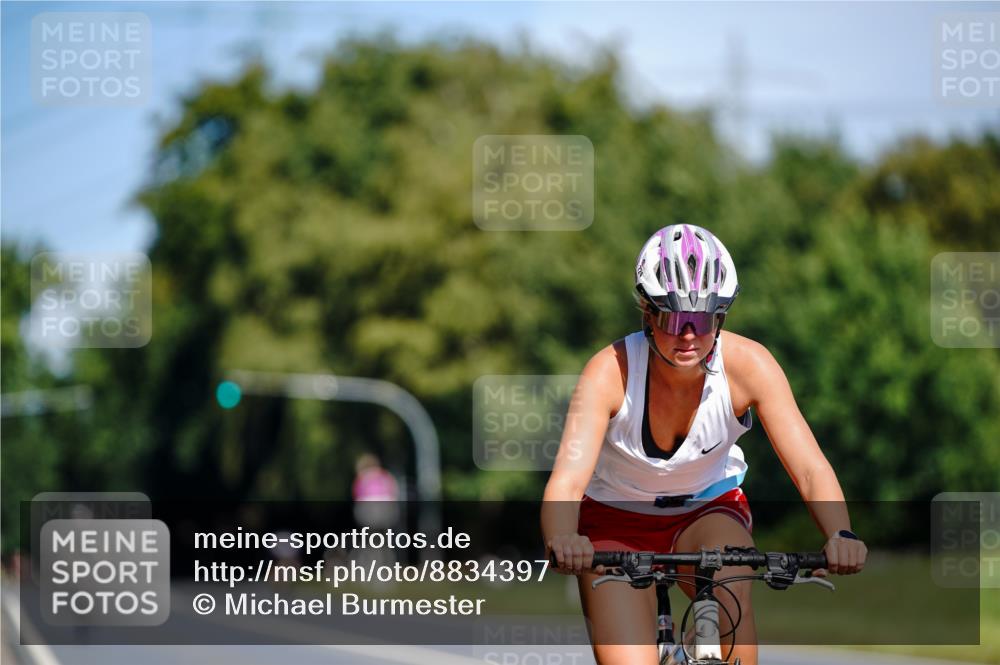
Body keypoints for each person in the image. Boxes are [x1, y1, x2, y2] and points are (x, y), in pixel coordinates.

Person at [541, 224, 867, 665]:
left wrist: (840, 533)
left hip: (707, 511)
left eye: (704, 320)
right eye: (674, 319)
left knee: (732, 581)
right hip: (615, 522)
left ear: (722, 319)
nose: (689, 336)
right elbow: (566, 481)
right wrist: (564, 537)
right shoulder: (608, 372)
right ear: (648, 314)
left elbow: (810, 467)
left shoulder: (749, 365)